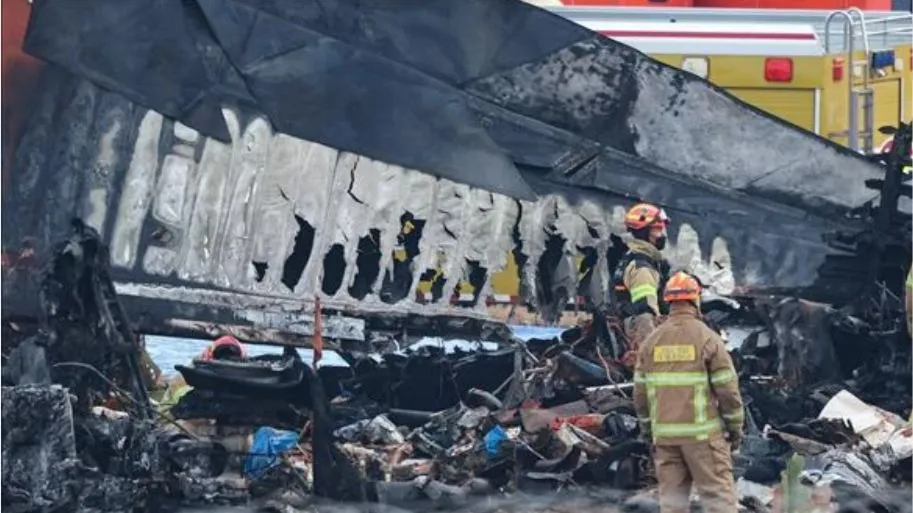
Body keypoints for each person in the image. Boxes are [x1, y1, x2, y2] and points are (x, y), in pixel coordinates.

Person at [633, 271, 744, 513]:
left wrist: (648, 430)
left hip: (665, 440)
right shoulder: (708, 339)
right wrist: (735, 429)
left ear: (668, 302)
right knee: (719, 503)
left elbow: (640, 396)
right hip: (704, 439)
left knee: (672, 506)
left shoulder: (651, 342)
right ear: (696, 300)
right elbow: (728, 392)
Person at [610, 202, 671, 363]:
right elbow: (644, 316)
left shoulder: (633, 258)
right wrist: (651, 359)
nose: (662, 234)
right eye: (658, 229)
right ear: (645, 233)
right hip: (640, 336)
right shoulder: (643, 269)